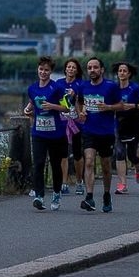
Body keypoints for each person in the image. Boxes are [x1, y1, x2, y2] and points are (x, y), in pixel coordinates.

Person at [76, 57, 125, 212]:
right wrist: (80, 112)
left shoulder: (111, 86)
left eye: (95, 67)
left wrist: (108, 107)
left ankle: (106, 194)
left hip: (106, 132)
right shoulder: (83, 86)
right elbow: (79, 101)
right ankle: (89, 197)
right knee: (89, 161)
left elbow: (121, 105)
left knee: (105, 167)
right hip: (89, 130)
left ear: (101, 70)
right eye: (89, 68)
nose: (92, 70)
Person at [23, 56, 68, 211]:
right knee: (38, 164)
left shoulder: (57, 88)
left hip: (56, 134)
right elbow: (32, 101)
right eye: (41, 69)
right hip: (38, 133)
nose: (43, 72)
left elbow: (67, 107)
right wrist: (27, 109)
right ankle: (39, 196)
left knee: (55, 165)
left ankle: (56, 194)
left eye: (46, 70)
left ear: (51, 72)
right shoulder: (32, 88)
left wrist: (53, 106)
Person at [112, 61, 139, 194]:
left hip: (132, 124)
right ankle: (122, 184)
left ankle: (137, 165)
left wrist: (133, 106)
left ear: (129, 74)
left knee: (131, 155)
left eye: (124, 71)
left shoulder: (135, 88)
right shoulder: (114, 88)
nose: (122, 73)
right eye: (120, 71)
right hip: (118, 124)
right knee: (119, 152)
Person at [56, 58, 85, 195]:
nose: (71, 69)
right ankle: (64, 182)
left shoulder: (81, 84)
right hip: (62, 121)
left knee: (78, 153)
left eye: (73, 67)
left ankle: (79, 181)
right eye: (69, 67)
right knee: (63, 153)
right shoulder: (58, 83)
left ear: (77, 70)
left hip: (76, 122)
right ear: (65, 69)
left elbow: (84, 102)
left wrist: (76, 95)